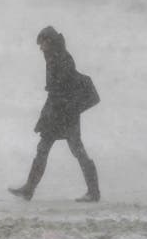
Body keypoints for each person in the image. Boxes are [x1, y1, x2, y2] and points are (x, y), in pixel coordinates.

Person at [9, 25, 100, 202]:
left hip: (66, 114)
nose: (40, 48)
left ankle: (94, 192)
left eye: (41, 44)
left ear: (49, 41)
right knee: (43, 149)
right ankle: (29, 188)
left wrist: (57, 107)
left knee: (77, 151)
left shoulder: (62, 58)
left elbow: (64, 88)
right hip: (57, 113)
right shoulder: (52, 57)